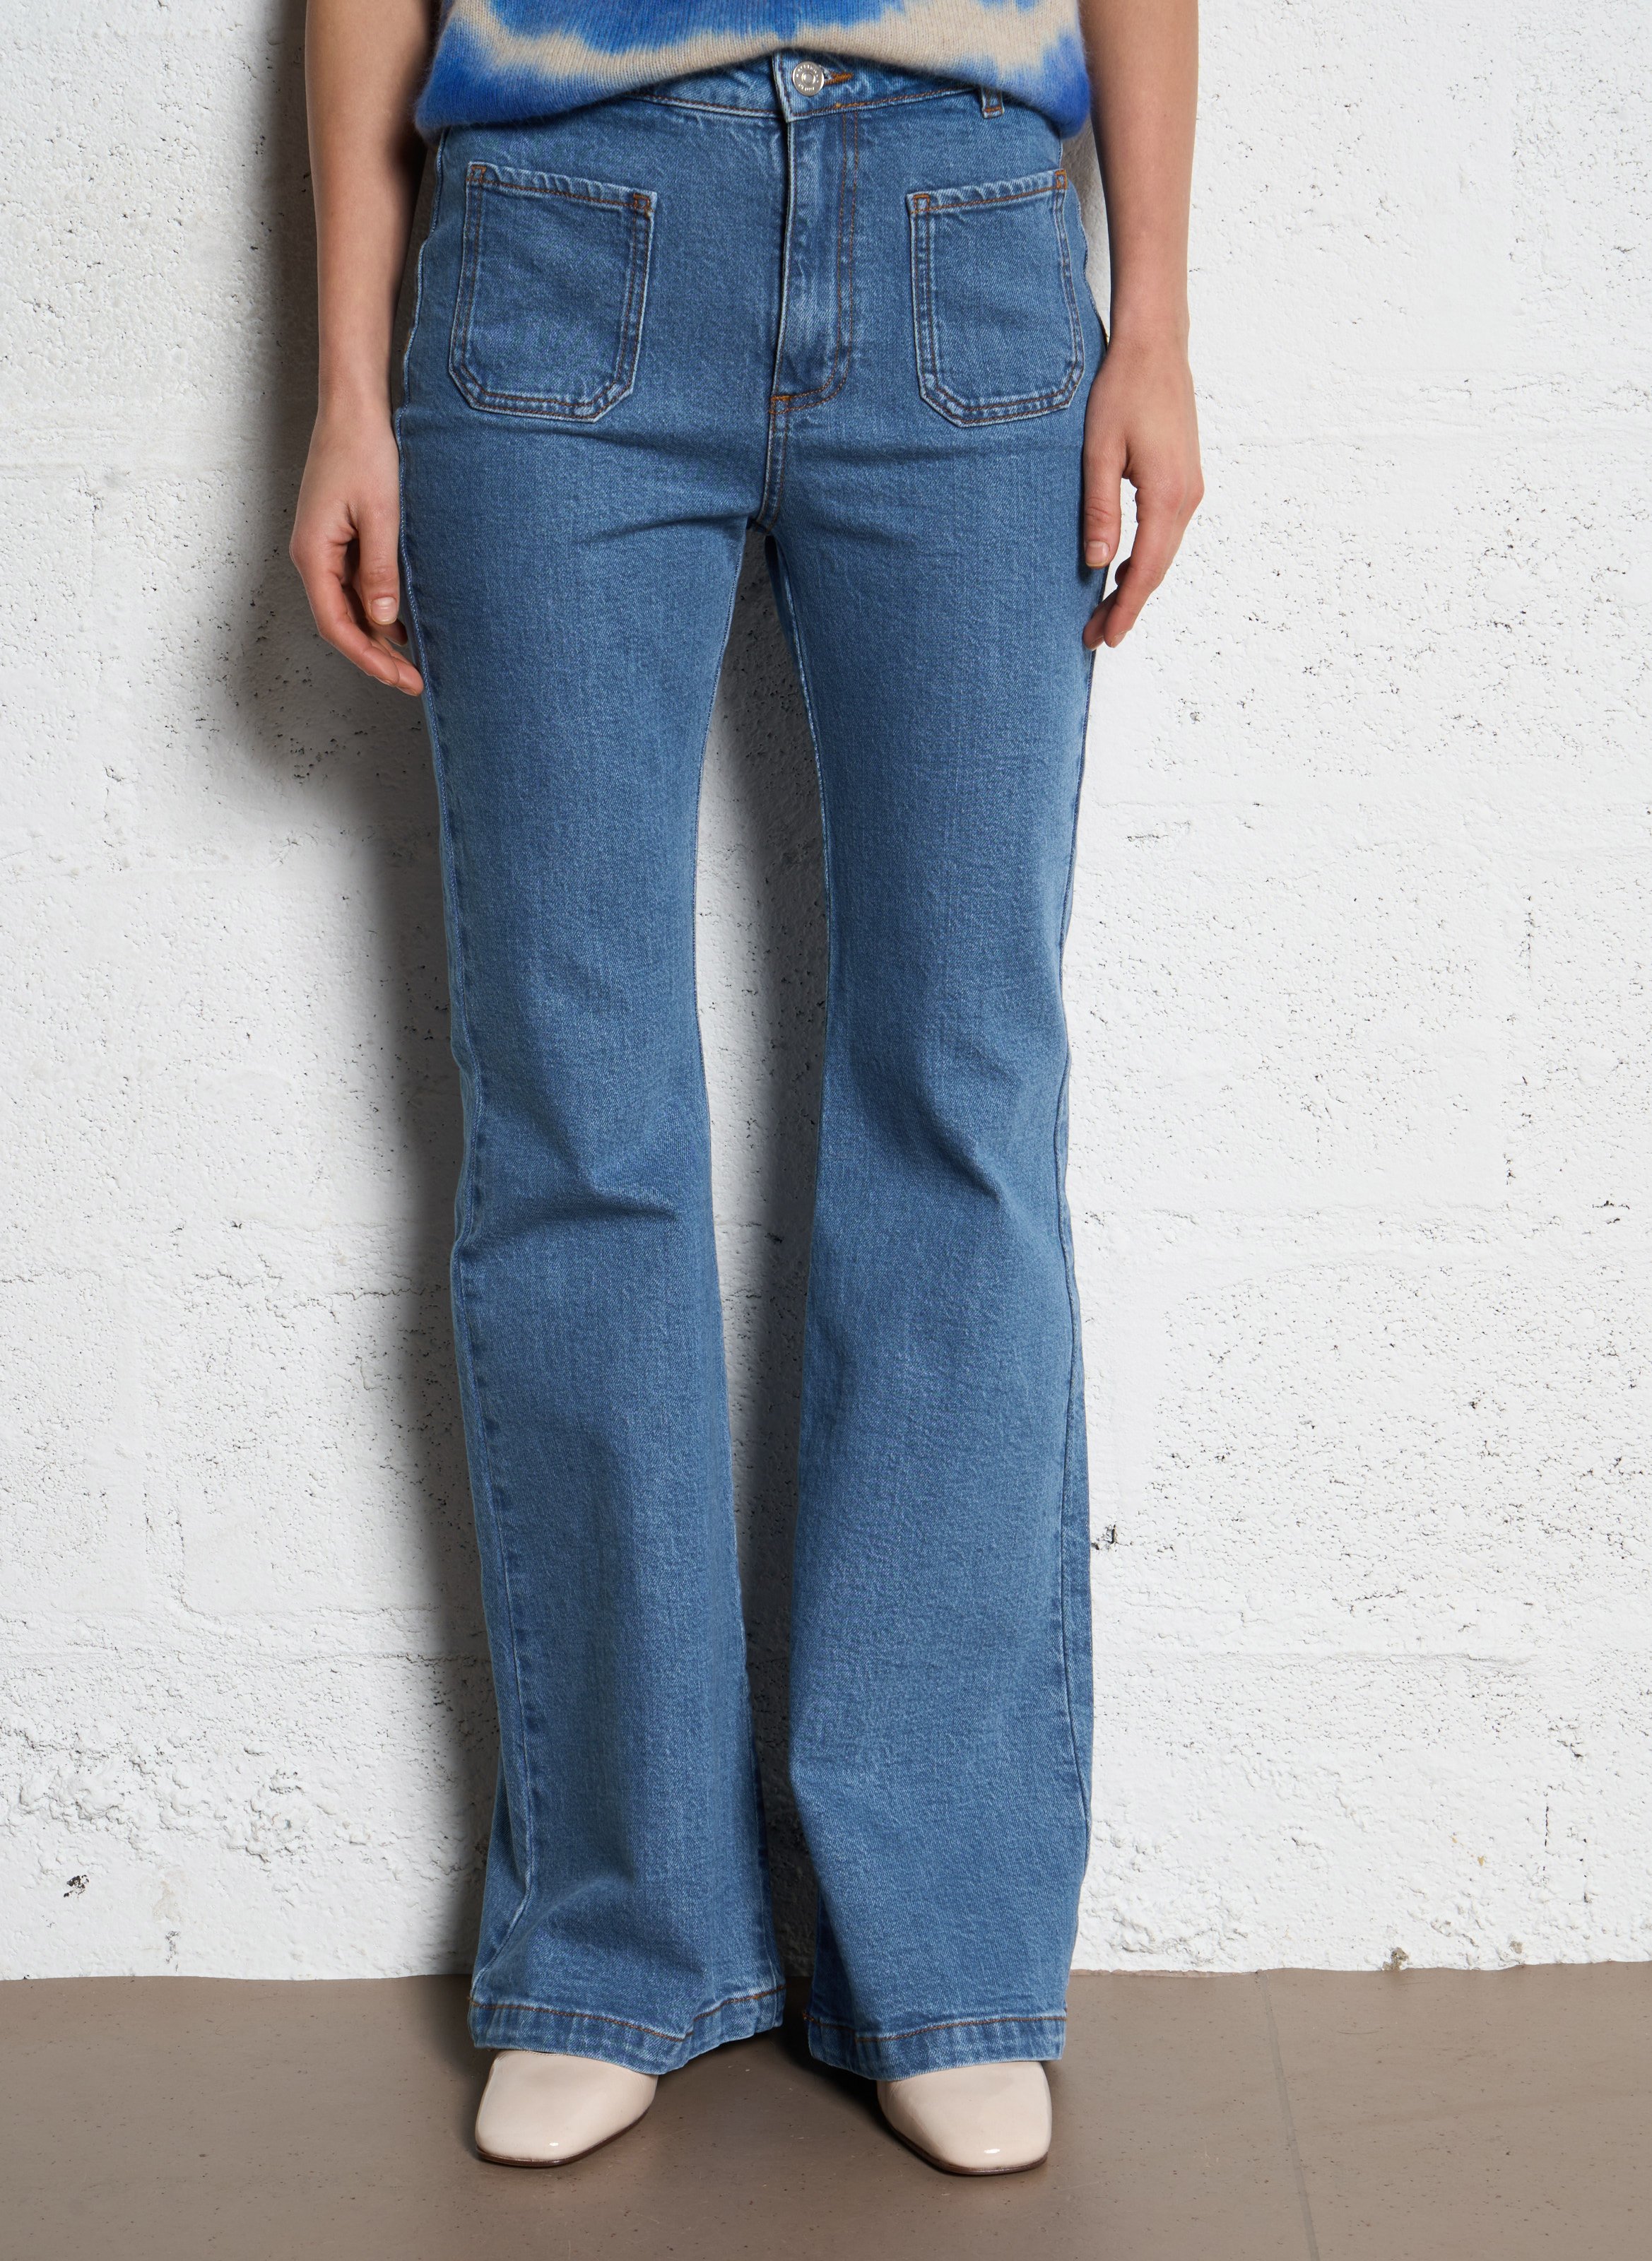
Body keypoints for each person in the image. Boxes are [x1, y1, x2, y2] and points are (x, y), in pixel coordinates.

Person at [291, 0, 1200, 2179]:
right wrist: (340, 381)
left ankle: (938, 1944)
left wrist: (1156, 316)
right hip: (554, 240)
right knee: (575, 1126)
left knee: (958, 1107)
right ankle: (620, 1945)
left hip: (965, 234)